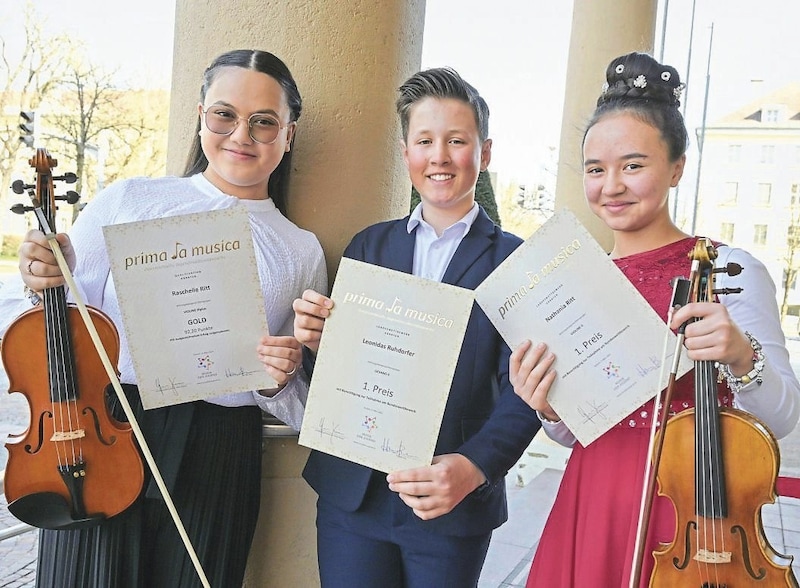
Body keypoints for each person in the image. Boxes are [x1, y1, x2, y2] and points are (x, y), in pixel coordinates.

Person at [12, 49, 327, 588]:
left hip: (222, 445)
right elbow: (57, 332)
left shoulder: (302, 250)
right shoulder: (131, 200)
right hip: (107, 430)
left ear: (289, 134)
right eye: (224, 114)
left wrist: (278, 381)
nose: (241, 135)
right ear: (201, 115)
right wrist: (41, 280)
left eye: (264, 121)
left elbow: (303, 406)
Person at [510, 51, 800, 587]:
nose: (611, 185)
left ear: (676, 167)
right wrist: (549, 408)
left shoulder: (729, 267)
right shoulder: (574, 283)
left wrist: (741, 354)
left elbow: (783, 415)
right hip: (595, 497)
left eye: (633, 165)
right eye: (596, 170)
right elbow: (576, 434)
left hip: (695, 510)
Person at [292, 67, 542, 587]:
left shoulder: (517, 264)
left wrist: (473, 468)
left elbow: (528, 390)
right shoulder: (370, 247)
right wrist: (317, 344)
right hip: (352, 499)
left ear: (485, 152)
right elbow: (337, 377)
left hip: (450, 503)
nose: (440, 157)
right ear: (406, 152)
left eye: (456, 140)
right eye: (424, 141)